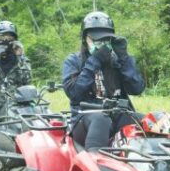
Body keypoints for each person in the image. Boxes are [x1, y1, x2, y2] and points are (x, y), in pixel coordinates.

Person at [62, 11, 144, 150]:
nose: (102, 44)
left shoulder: (117, 61)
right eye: (97, 40)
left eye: (106, 40)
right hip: (85, 119)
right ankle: (95, 163)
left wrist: (124, 58)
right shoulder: (74, 61)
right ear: (85, 39)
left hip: (117, 114)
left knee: (148, 121)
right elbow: (74, 93)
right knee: (101, 119)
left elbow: (137, 88)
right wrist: (95, 61)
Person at [0, 21, 33, 119]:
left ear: (15, 39)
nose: (5, 40)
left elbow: (27, 81)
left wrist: (20, 57)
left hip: (18, 101)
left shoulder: (19, 55)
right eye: (2, 36)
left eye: (9, 37)